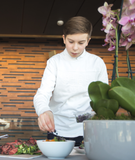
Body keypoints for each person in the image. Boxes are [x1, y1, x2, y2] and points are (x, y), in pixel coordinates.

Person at [33, 16, 108, 146]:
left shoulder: (97, 63)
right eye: (71, 41)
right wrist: (43, 111)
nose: (75, 48)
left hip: (87, 130)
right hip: (57, 128)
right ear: (64, 38)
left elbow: (103, 100)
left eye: (81, 43)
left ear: (88, 41)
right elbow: (43, 93)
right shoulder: (54, 62)